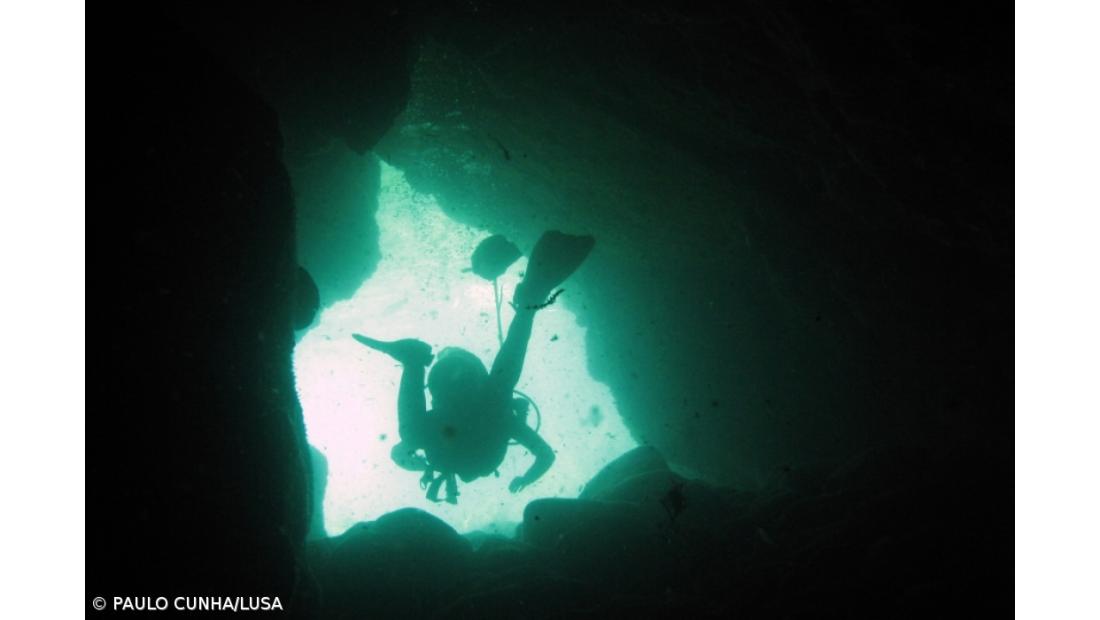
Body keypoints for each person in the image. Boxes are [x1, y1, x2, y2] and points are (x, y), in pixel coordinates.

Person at [354, 231, 594, 504]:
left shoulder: (489, 424)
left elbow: (545, 456)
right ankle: (414, 361)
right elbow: (545, 454)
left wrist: (525, 478)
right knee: (495, 391)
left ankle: (526, 308)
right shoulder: (498, 419)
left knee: (498, 388)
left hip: (474, 407)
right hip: (479, 406)